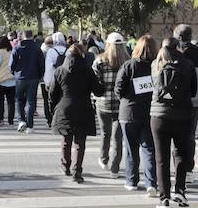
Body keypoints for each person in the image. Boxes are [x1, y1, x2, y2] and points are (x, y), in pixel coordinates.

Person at [149, 36, 198, 208]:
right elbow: (194, 91)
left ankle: (164, 198)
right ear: (178, 47)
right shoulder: (188, 63)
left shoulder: (156, 63)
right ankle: (180, 191)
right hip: (182, 115)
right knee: (180, 154)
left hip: (158, 116)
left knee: (161, 158)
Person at [49, 41, 104, 183]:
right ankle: (77, 171)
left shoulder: (60, 70)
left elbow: (52, 94)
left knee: (66, 140)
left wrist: (53, 110)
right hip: (83, 108)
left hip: (64, 108)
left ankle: (65, 165)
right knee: (80, 143)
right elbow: (98, 91)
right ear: (82, 54)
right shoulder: (88, 70)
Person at [116, 34, 159, 193]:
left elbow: (118, 89)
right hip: (150, 113)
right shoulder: (157, 66)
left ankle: (131, 180)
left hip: (129, 113)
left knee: (130, 149)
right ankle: (151, 183)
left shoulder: (129, 65)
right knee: (149, 149)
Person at [174, 24, 198, 172]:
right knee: (190, 135)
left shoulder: (172, 52)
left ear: (179, 37)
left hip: (175, 101)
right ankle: (188, 168)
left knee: (176, 137)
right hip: (196, 101)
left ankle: (178, 168)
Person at [93, 33, 129, 174]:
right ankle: (115, 167)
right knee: (118, 137)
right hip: (121, 104)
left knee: (105, 133)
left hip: (103, 103)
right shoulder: (128, 61)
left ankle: (103, 158)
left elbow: (94, 84)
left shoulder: (99, 61)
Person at [12, 31, 43, 132]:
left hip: (20, 77)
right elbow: (41, 64)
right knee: (31, 101)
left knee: (20, 100)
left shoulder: (17, 48)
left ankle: (21, 120)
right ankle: (30, 126)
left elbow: (12, 64)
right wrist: (40, 75)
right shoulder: (37, 48)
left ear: (23, 36)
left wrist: (14, 72)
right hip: (33, 77)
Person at [42, 33, 67, 128]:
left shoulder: (51, 51)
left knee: (52, 99)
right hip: (64, 80)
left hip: (53, 79)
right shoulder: (67, 51)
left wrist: (47, 82)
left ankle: (51, 120)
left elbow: (48, 68)